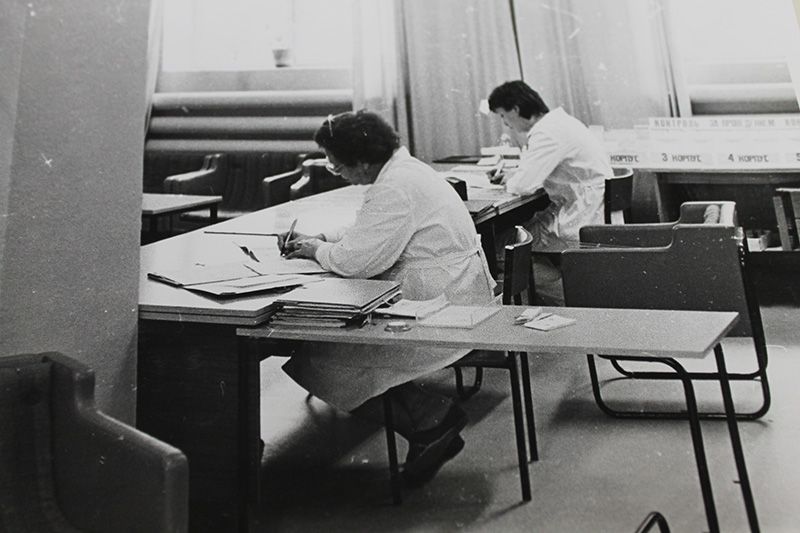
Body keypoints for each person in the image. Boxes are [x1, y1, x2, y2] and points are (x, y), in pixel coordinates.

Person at [277, 110, 496, 486]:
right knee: (339, 358)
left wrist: (315, 250)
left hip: (440, 306)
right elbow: (370, 226)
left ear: (362, 162)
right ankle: (429, 418)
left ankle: (431, 421)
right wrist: (323, 238)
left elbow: (355, 263)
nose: (337, 172)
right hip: (451, 293)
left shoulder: (394, 187)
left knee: (321, 361)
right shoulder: (403, 172)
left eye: (336, 165)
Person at [487, 80, 612, 304]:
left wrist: (511, 179)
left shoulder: (547, 133)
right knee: (519, 236)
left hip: (581, 219)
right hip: (590, 211)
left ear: (515, 110)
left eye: (503, 116)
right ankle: (569, 293)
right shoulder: (559, 123)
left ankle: (571, 299)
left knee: (501, 249)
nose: (505, 124)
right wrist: (518, 175)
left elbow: (522, 186)